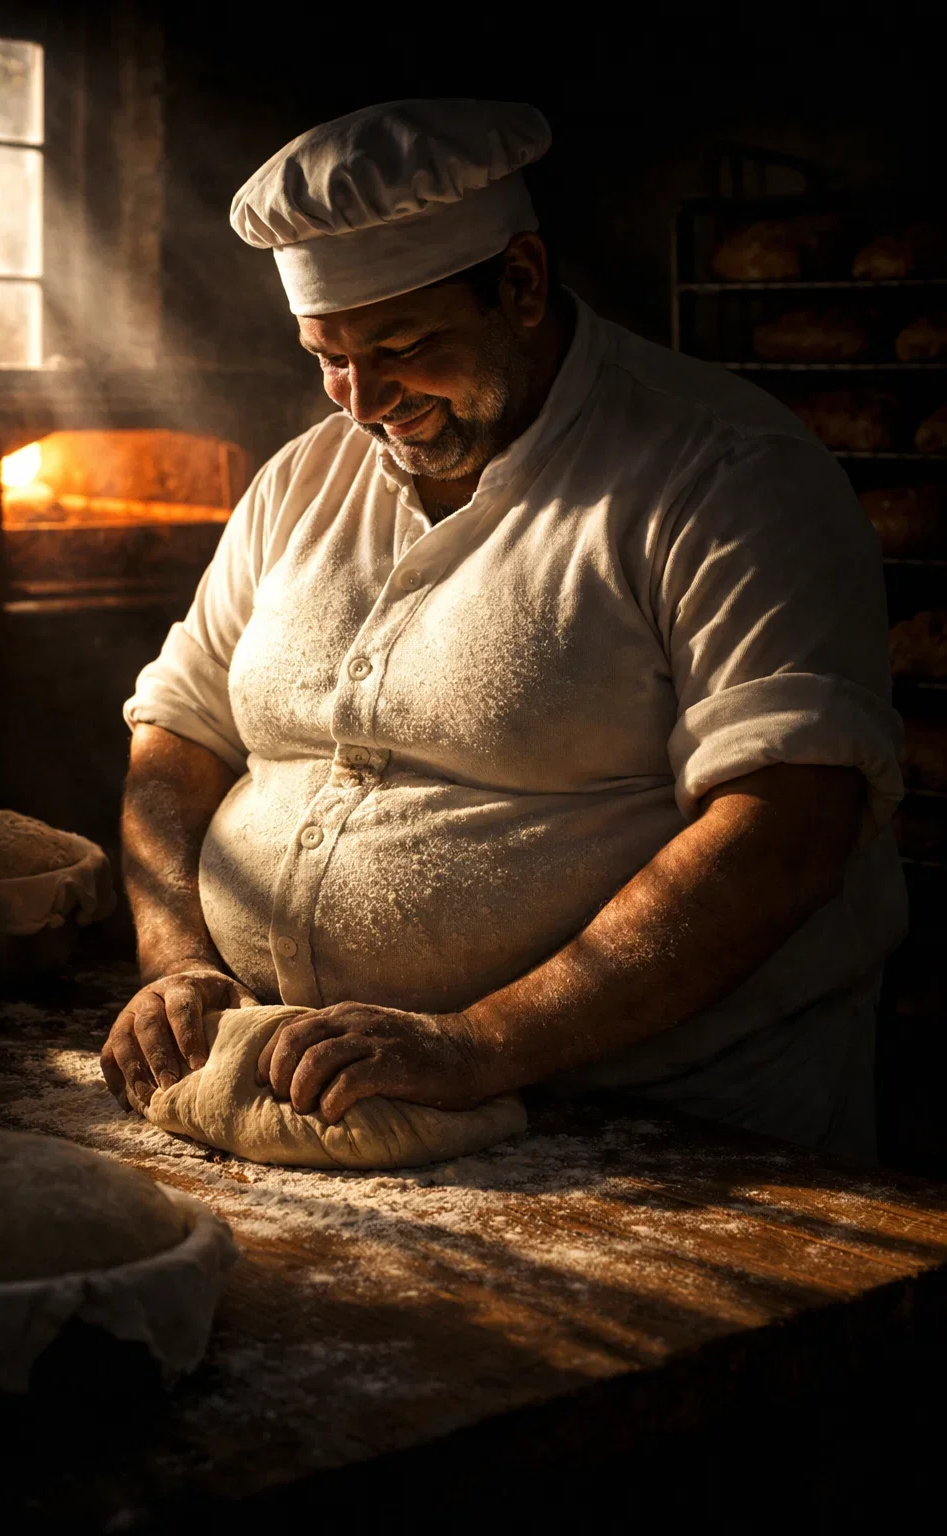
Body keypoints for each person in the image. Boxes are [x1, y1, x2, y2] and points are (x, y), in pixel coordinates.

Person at [101, 99, 905, 1161]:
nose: (360, 399)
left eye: (399, 346)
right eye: (325, 356)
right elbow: (177, 731)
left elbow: (789, 825)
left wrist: (477, 1042)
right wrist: (177, 964)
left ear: (521, 282)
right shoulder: (303, 479)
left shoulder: (725, 475)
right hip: (319, 1087)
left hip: (669, 1128)